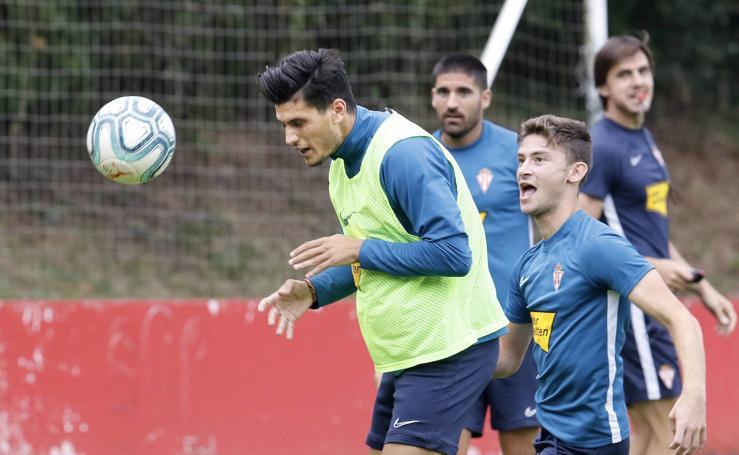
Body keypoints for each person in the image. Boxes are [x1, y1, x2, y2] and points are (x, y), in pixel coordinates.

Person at [255, 48, 510, 455]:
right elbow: (365, 261)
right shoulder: (340, 164)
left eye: (299, 123)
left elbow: (453, 255)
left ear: (337, 109)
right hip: (408, 354)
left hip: (450, 350)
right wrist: (314, 290)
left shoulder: (402, 155)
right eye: (284, 125)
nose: (289, 138)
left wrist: (359, 247)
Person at [494, 114, 707, 455]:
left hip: (592, 444)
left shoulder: (598, 246)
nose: (523, 169)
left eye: (539, 159)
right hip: (549, 435)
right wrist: (442, 359)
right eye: (521, 160)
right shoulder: (527, 264)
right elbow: (507, 358)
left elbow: (683, 320)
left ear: (575, 173)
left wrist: (694, 395)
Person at [578, 33, 736, 455]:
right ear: (603, 87)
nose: (637, 81)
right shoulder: (605, 146)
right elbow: (579, 239)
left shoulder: (643, 138)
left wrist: (701, 284)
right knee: (675, 433)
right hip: (632, 307)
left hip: (652, 300)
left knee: (652, 436)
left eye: (643, 71)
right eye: (623, 74)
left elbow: (656, 237)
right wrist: (652, 267)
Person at [430, 53, 538, 455]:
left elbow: (556, 227)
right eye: (443, 92)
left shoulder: (519, 153)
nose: (452, 102)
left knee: (523, 445)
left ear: (486, 97)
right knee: (442, 445)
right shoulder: (420, 157)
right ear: (432, 97)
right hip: (452, 329)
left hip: (515, 325)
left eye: (464, 91)